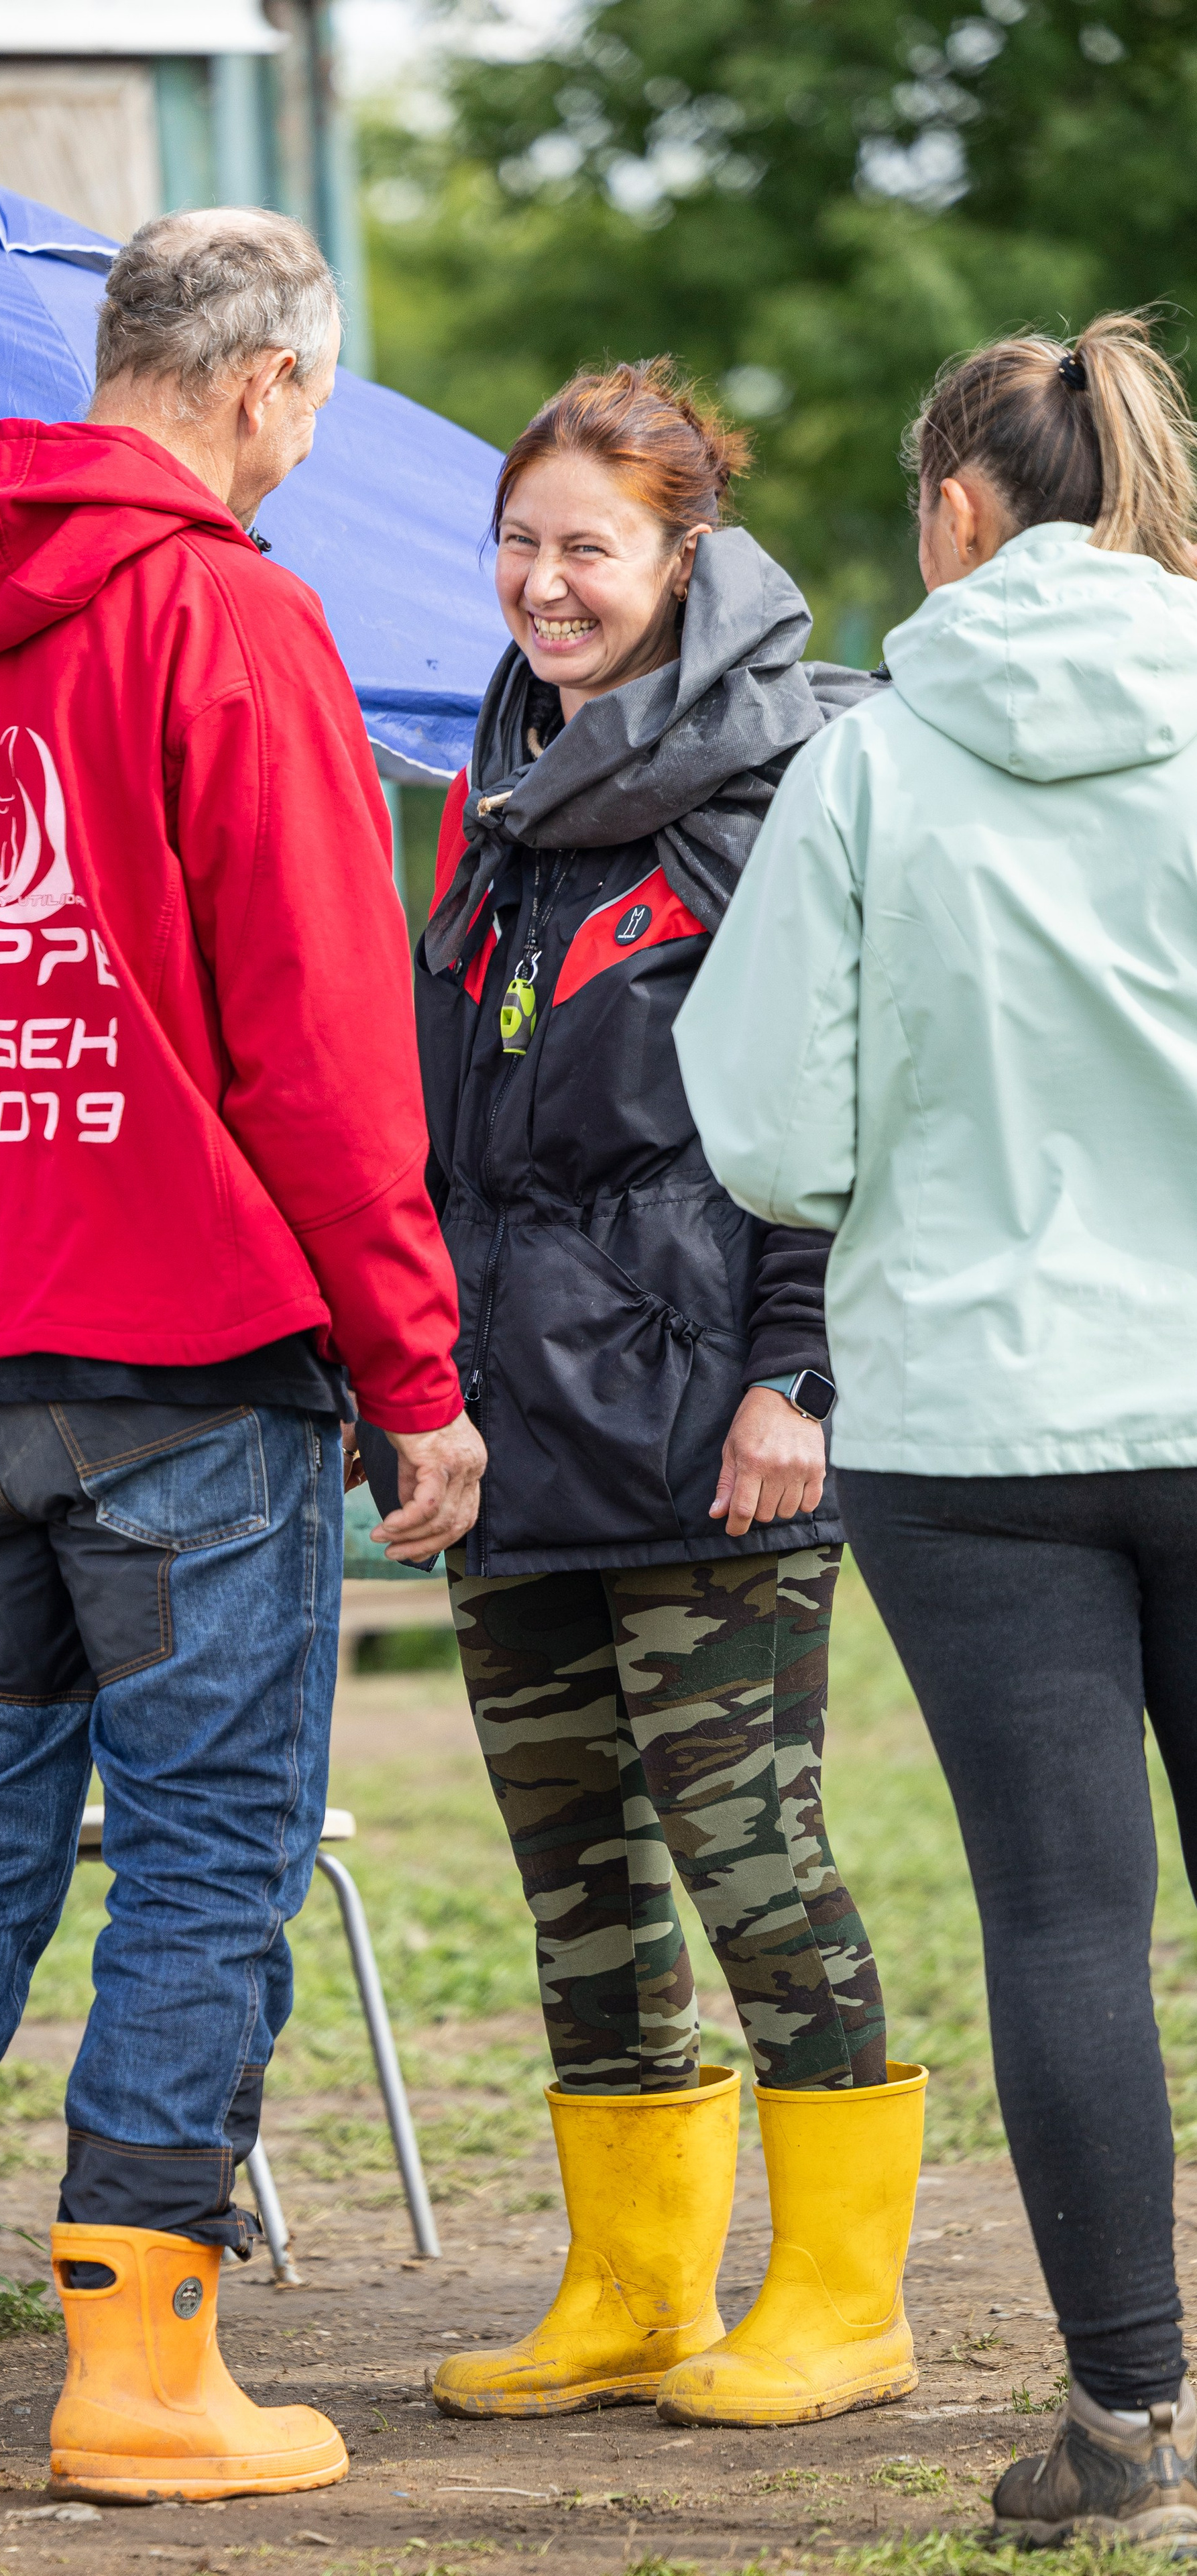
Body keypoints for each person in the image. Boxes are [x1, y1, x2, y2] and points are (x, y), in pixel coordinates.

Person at [0, 205, 485, 2503]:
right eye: (320, 405)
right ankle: (146, 2370)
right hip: (180, 1367)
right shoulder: (236, 622)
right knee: (203, 1847)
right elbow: (325, 1052)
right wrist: (416, 1368)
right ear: (266, 384)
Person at [677, 311, 1197, 2543]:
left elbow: (777, 1138)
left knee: (1069, 1927)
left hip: (981, 1422)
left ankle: (1126, 2435)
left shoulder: (868, 764)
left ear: (959, 513)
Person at [410, 359, 925, 2434]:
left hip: (720, 1420)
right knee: (578, 1879)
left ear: (683, 556)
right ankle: (633, 2291)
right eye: (521, 544)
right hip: (514, 1420)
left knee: (753, 1859)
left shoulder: (781, 775)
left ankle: (839, 2299)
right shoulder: (507, 780)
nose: (545, 583)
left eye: (587, 549)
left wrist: (796, 1371)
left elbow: (835, 1100)